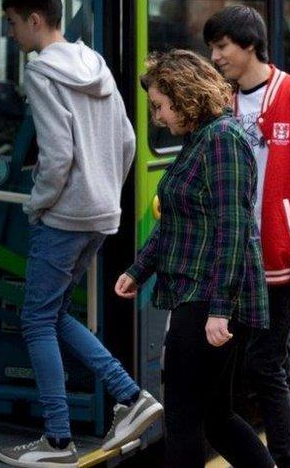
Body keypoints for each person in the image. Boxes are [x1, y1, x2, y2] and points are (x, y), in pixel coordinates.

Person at [0, 0, 162, 468]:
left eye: (10, 23)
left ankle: (58, 439)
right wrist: (104, 190)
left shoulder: (41, 73)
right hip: (99, 214)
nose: (10, 34)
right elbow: (129, 141)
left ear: (34, 20)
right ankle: (131, 397)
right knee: (54, 313)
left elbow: (57, 156)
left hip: (65, 215)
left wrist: (38, 205)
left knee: (35, 320)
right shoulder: (97, 66)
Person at [114, 50, 274, 468]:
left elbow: (233, 229)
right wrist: (138, 269)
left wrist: (219, 310)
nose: (158, 117)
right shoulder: (201, 140)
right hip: (199, 292)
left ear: (185, 98)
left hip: (209, 298)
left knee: (184, 418)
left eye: (161, 106)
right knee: (216, 417)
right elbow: (176, 222)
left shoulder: (221, 140)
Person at [204, 5, 290, 468]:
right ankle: (289, 460)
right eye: (212, 47)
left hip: (284, 260)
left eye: (222, 46)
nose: (216, 56)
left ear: (249, 44)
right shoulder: (220, 100)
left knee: (264, 364)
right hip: (237, 262)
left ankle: (288, 461)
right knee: (271, 365)